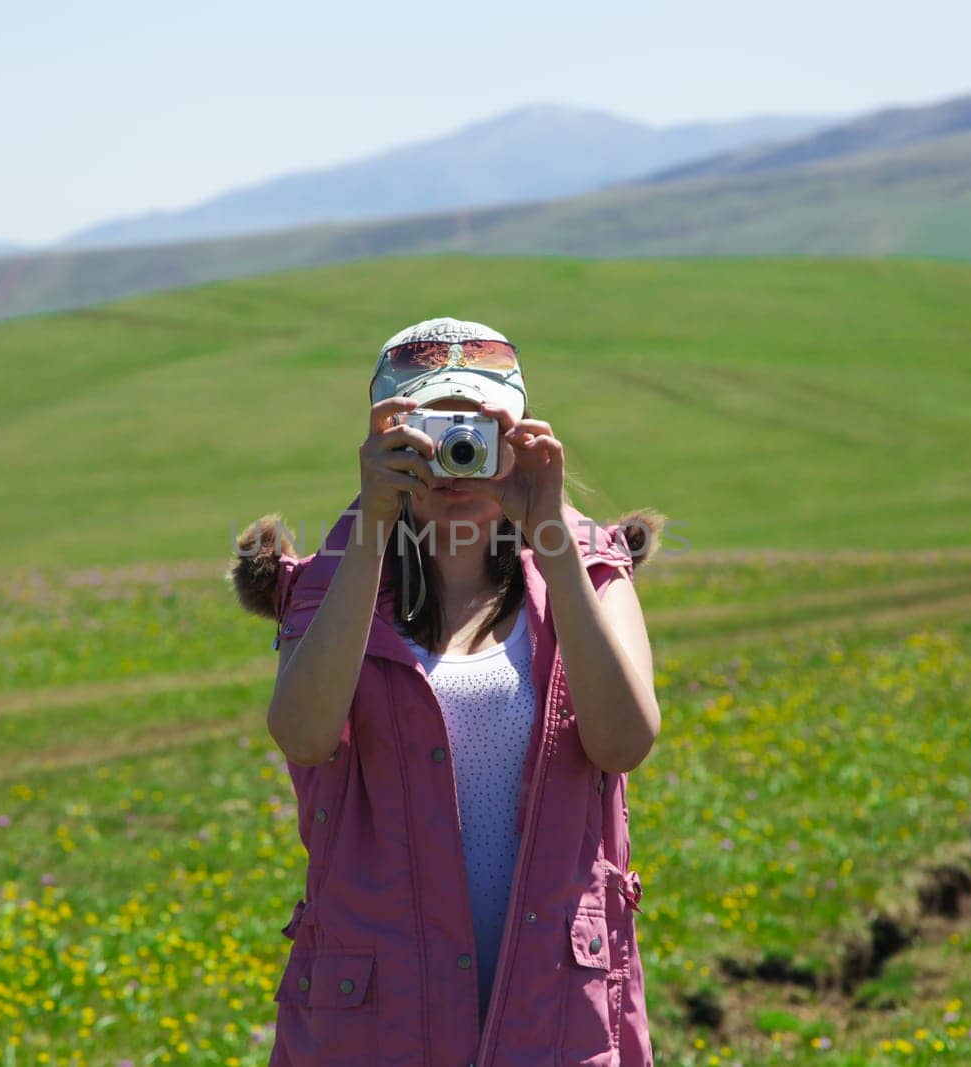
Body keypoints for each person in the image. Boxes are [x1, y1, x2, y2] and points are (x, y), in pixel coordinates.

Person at [230, 316, 666, 1066]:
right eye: (429, 431)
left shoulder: (592, 569)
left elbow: (624, 741)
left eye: (482, 431)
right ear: (385, 440)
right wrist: (371, 520)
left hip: (557, 1014)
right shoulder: (330, 584)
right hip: (377, 1025)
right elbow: (302, 734)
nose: (457, 461)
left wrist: (551, 534)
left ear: (524, 435)